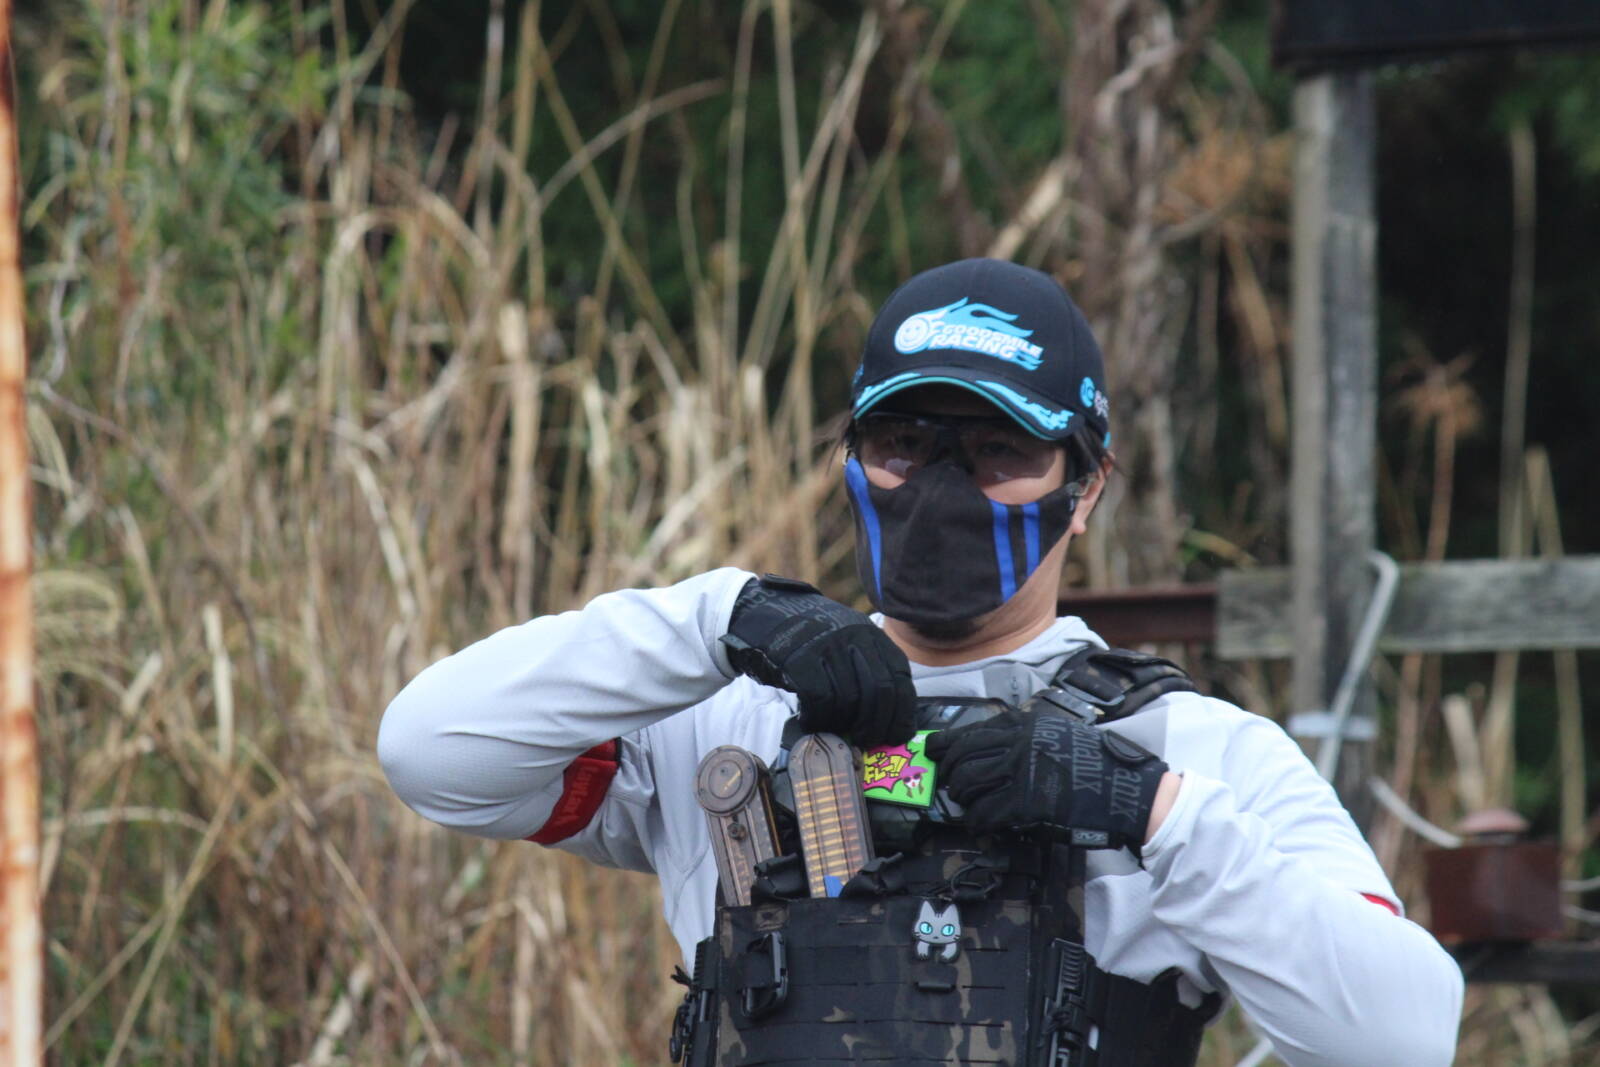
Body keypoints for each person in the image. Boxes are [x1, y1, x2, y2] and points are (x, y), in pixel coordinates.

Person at [379, 258, 1464, 1065]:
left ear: (1085, 486)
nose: (942, 489)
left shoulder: (1197, 752)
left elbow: (1403, 1039)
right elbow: (431, 752)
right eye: (903, 446)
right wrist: (718, 616)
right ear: (851, 458)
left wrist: (1149, 809)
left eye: (997, 453)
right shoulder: (728, 720)